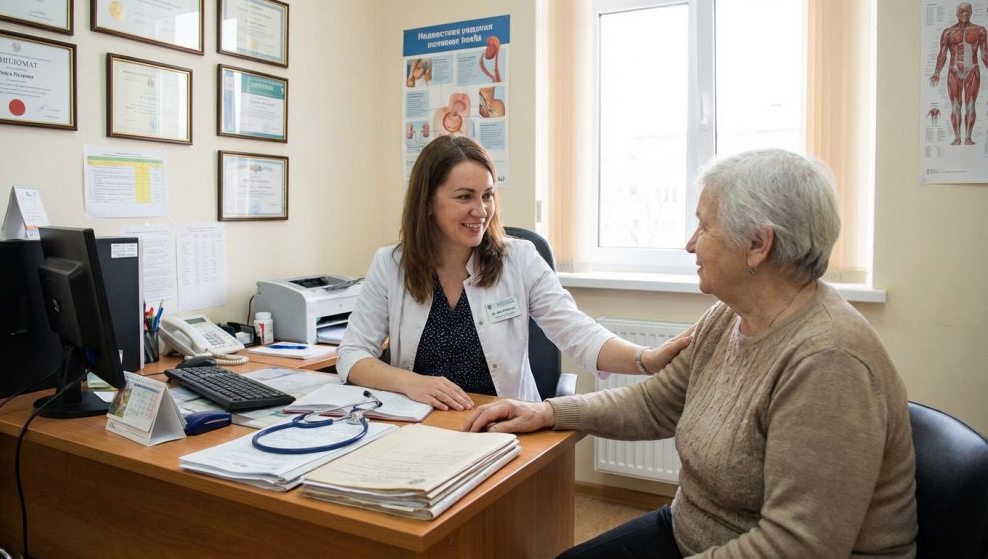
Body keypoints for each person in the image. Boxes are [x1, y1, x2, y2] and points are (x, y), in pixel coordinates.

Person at [463, 149, 918, 558]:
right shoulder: (728, 316)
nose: (690, 243)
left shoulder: (829, 362)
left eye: (705, 226)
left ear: (758, 245)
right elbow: (656, 404)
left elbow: (796, 546)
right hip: (692, 530)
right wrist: (549, 412)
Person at [337, 134, 692, 410]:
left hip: (503, 424)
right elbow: (352, 354)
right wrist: (411, 383)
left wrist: (646, 359)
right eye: (464, 197)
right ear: (428, 202)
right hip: (424, 424)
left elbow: (578, 332)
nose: (481, 210)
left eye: (488, 195)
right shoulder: (391, 265)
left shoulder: (520, 259)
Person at [929, 2, 988, 145]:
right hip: (954, 71)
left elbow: (984, 54)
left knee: (970, 105)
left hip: (972, 70)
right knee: (955, 106)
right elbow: (942, 54)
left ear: (971, 12)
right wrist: (937, 72)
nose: (964, 14)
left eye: (967, 11)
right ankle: (957, 137)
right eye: (961, 11)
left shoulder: (980, 30)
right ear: (957, 13)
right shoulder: (948, 32)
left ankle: (967, 137)